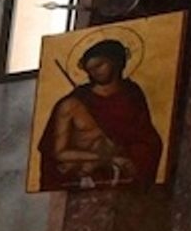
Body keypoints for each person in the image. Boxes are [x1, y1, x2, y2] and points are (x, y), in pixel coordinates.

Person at [36, 38, 164, 191]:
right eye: (90, 69)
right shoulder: (73, 103)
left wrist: (131, 157)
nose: (95, 72)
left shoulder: (131, 94)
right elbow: (57, 151)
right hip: (84, 170)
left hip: (120, 170)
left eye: (99, 65)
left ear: (116, 62)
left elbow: (145, 135)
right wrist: (107, 159)